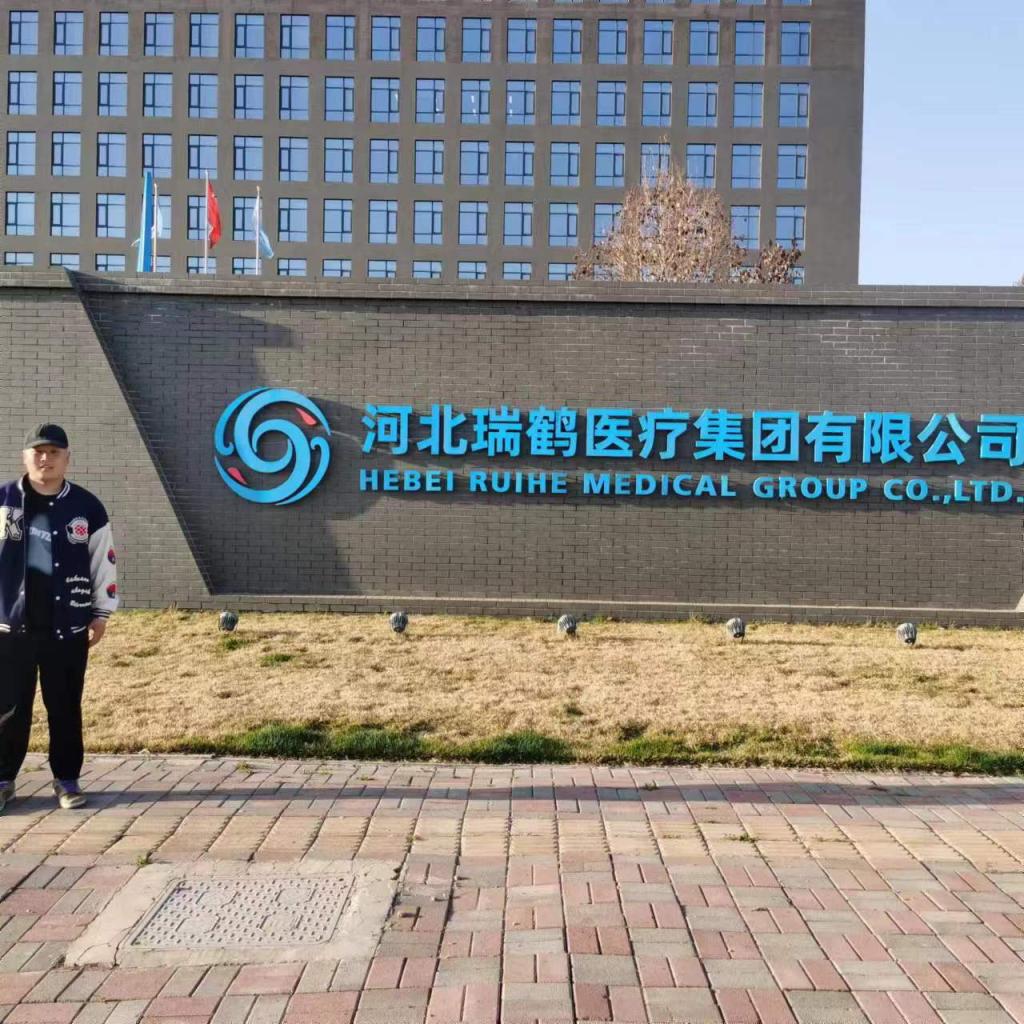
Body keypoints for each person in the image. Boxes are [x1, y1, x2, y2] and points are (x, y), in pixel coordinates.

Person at [0, 425, 118, 811]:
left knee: (65, 706)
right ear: (25, 456)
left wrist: (101, 613)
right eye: (38, 451)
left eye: (53, 452)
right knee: (7, 708)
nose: (45, 458)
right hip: (9, 628)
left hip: (66, 626)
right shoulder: (3, 502)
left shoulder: (86, 507)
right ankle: (3, 780)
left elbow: (103, 562)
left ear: (67, 458)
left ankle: (66, 780)